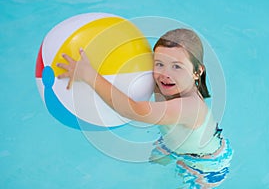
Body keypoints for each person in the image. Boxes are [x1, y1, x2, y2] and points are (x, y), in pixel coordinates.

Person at [57, 28, 233, 188]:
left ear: (197, 72)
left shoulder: (188, 106)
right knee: (154, 165)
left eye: (177, 66)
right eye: (159, 64)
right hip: (175, 145)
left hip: (204, 166)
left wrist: (90, 76)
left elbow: (132, 109)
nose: (165, 73)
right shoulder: (170, 82)